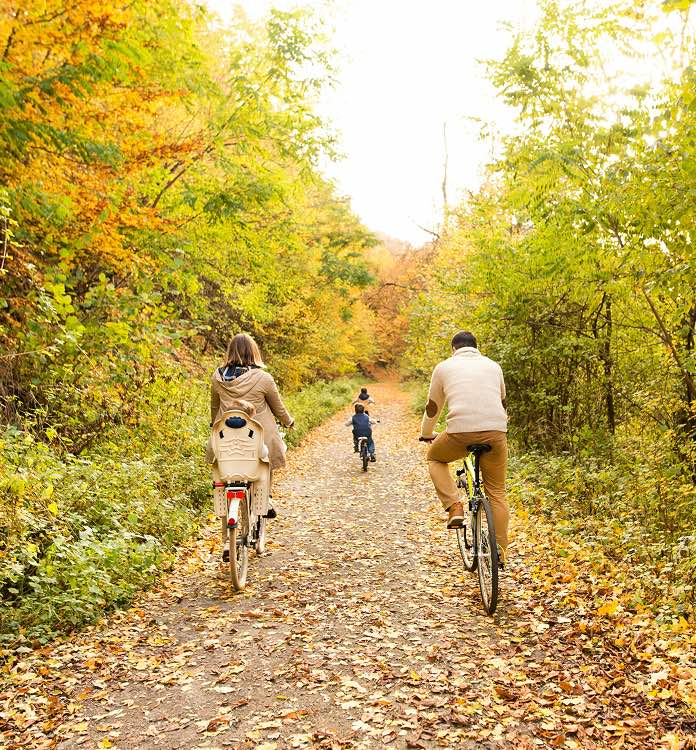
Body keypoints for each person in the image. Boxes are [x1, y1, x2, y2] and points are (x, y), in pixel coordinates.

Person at [419, 331, 509, 565]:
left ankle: (455, 507)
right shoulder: (493, 366)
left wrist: (427, 434)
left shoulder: (444, 367)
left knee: (434, 459)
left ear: (453, 349)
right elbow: (502, 402)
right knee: (497, 492)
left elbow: (433, 407)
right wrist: (498, 428)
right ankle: (499, 551)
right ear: (476, 348)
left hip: (459, 431)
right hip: (496, 432)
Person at [208, 332, 294, 492]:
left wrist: (214, 423)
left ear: (230, 351)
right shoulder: (264, 378)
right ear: (254, 351)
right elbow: (278, 408)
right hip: (256, 436)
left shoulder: (217, 377)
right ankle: (265, 498)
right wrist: (289, 421)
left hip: (227, 435)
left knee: (223, 465)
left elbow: (214, 407)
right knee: (265, 459)